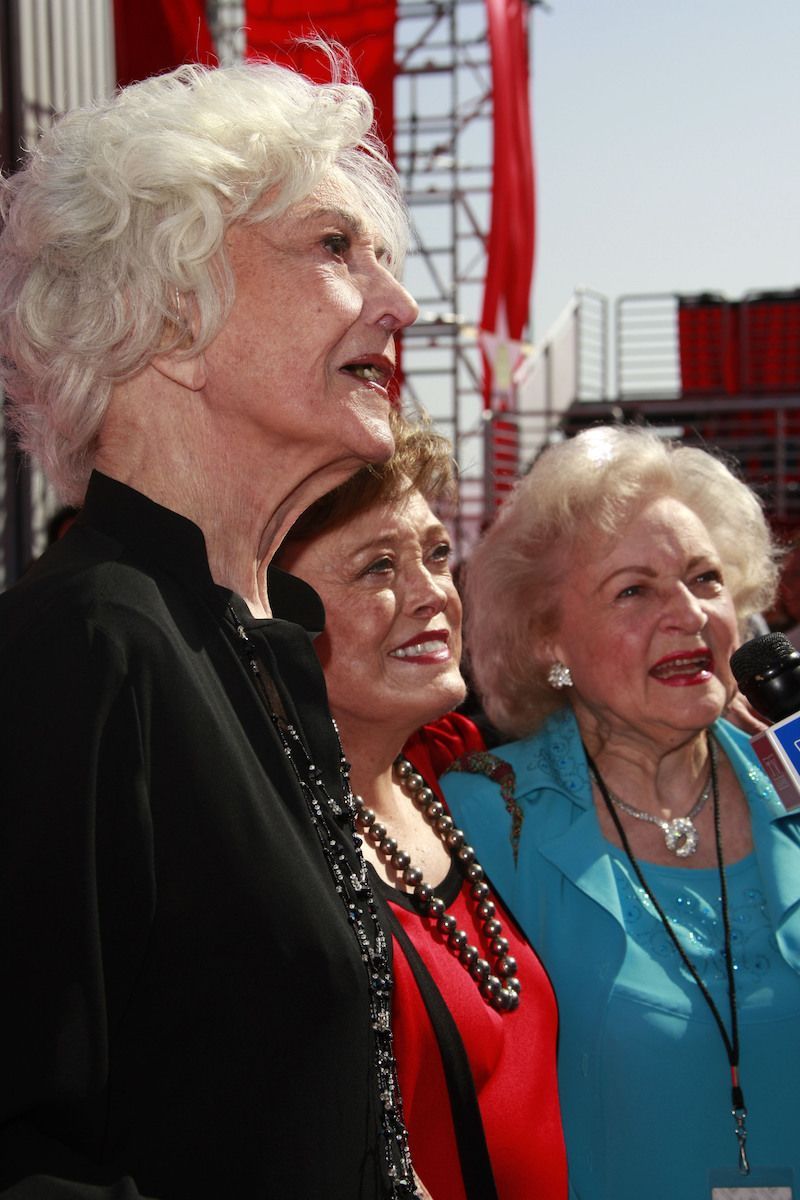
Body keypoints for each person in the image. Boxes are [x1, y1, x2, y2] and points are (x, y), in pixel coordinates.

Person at [0, 58, 422, 1199]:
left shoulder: (263, 642)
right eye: (335, 248)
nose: (401, 303)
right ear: (173, 311)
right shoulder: (84, 651)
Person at [440, 424, 800, 1200]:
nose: (690, 616)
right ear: (547, 640)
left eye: (705, 579)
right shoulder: (484, 821)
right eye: (635, 590)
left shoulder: (795, 784)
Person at [275, 409, 567, 1200]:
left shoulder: (454, 767)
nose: (431, 593)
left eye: (437, 554)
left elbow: (593, 723)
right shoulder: (269, 839)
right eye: (378, 568)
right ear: (276, 618)